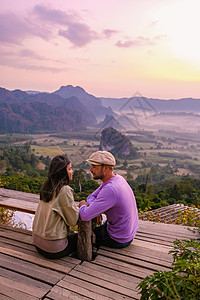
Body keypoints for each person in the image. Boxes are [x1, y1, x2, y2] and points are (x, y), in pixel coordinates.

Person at [79, 151, 139, 249]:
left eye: (94, 166)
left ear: (106, 168)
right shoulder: (117, 179)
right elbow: (91, 196)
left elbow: (84, 216)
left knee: (85, 235)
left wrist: (83, 205)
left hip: (119, 239)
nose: (90, 169)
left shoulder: (111, 189)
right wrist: (95, 209)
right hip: (128, 232)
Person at [32, 155, 79, 259]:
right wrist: (83, 206)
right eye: (70, 169)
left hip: (37, 243)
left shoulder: (47, 186)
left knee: (70, 234)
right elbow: (73, 220)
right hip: (53, 248)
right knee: (84, 238)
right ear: (63, 172)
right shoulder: (64, 190)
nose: (72, 172)